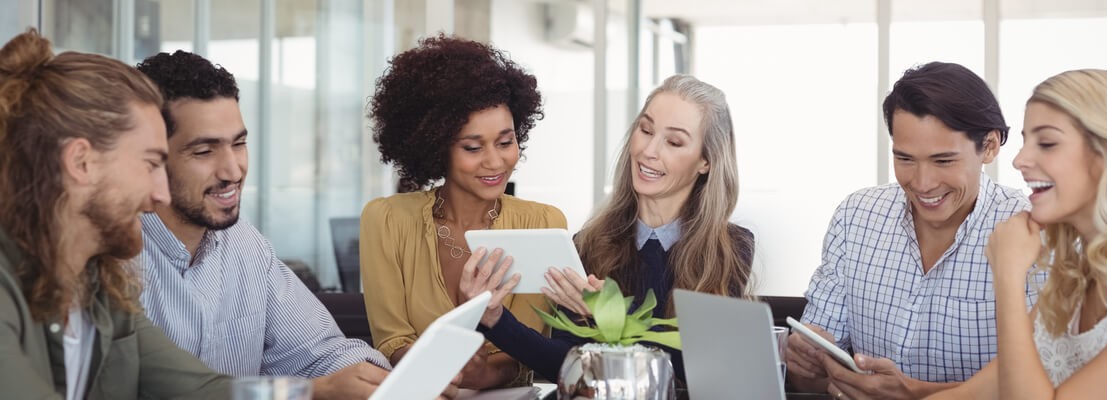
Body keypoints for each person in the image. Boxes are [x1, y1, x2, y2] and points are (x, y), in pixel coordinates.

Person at [134, 50, 403, 400]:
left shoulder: (243, 242)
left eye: (239, 143)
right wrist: (309, 391)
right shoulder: (116, 258)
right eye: (204, 151)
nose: (233, 171)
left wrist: (385, 384)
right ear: (154, 156)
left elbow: (320, 352)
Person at [461, 74, 756, 382]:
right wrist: (496, 319)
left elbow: (702, 368)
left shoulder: (731, 247)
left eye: (674, 141)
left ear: (705, 161)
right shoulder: (589, 244)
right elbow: (565, 365)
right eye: (646, 130)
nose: (649, 151)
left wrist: (613, 319)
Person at [931, 70, 1107, 399]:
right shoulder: (1076, 275)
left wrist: (1008, 275)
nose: (1019, 160)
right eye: (1026, 141)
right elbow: (983, 390)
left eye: (1047, 143)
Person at [786, 62, 1045, 399]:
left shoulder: (1034, 230)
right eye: (905, 159)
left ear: (990, 147)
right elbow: (813, 379)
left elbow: (1045, 385)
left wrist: (911, 393)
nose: (922, 184)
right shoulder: (856, 216)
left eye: (943, 161)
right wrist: (807, 362)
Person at [0, 28, 232, 398]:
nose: (161, 195)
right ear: (82, 162)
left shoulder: (101, 287)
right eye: (151, 163)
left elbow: (204, 390)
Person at [360, 34, 567, 389]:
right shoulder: (386, 220)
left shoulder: (543, 224)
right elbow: (392, 340)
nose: (495, 161)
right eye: (473, 147)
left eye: (506, 142)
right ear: (436, 146)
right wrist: (441, 371)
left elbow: (529, 348)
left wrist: (484, 374)